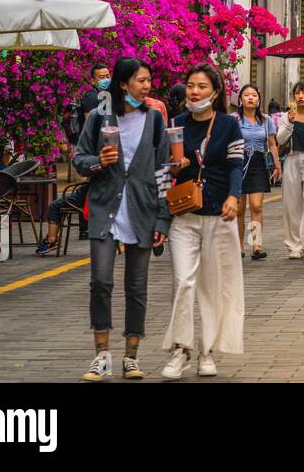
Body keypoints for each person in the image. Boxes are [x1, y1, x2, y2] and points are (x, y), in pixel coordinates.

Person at [73, 57, 170, 381]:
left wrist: (163, 220)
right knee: (101, 281)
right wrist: (98, 162)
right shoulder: (100, 117)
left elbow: (164, 172)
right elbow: (79, 158)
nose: (147, 86)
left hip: (142, 212)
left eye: (148, 80)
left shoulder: (155, 120)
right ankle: (101, 355)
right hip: (105, 209)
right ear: (123, 83)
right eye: (141, 80)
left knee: (136, 287)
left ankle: (131, 355)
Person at [160, 63, 244, 380]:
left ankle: (206, 351)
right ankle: (181, 349)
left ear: (215, 92)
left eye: (201, 87)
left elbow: (236, 166)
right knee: (183, 282)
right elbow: (164, 168)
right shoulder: (176, 124)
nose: (194, 92)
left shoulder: (228, 125)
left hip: (219, 216)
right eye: (191, 86)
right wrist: (174, 165)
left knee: (212, 288)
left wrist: (234, 197)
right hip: (184, 215)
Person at [275, 82, 304, 260]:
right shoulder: (288, 116)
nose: (301, 96)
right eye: (297, 93)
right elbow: (280, 139)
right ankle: (294, 245)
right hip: (293, 160)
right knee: (292, 206)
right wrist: (289, 122)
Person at [235, 84, 279, 261]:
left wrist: (277, 165)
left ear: (259, 99)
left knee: (256, 206)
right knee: (238, 209)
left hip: (258, 163)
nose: (250, 98)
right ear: (240, 99)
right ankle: (238, 246)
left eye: (254, 95)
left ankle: (256, 245)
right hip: (238, 162)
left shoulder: (266, 120)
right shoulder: (234, 119)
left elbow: (272, 144)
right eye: (246, 95)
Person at [72, 63, 111, 139]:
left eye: (108, 76)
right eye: (102, 77)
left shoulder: (108, 94)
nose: (106, 80)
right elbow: (91, 125)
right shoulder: (90, 97)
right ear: (93, 81)